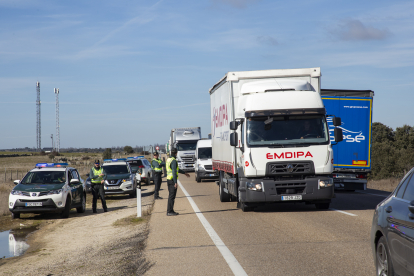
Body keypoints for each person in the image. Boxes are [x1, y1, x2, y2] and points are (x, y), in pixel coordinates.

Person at [166, 148, 190, 216]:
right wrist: (175, 182)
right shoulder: (173, 161)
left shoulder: (168, 159)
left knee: (171, 196)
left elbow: (177, 170)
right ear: (176, 153)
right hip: (172, 180)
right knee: (172, 197)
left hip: (169, 179)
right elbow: (174, 171)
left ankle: (170, 210)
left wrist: (184, 172)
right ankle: (169, 211)